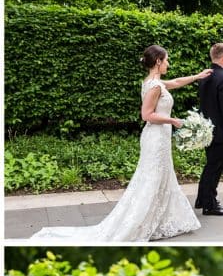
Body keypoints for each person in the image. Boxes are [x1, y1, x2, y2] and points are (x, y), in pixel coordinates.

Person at [30, 45, 211, 242]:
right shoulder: (155, 86)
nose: (168, 63)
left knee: (162, 178)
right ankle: (138, 223)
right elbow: (146, 115)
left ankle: (160, 220)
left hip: (160, 137)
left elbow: (175, 82)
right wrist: (173, 120)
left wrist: (196, 76)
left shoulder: (154, 82)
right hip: (156, 137)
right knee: (151, 179)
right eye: (166, 60)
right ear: (158, 62)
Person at [195, 42, 223, 216]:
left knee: (210, 167)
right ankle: (210, 205)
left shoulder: (205, 76)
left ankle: (203, 200)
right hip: (220, 134)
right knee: (214, 169)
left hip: (207, 131)